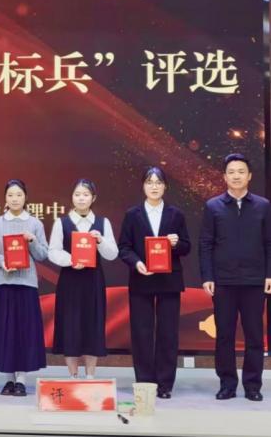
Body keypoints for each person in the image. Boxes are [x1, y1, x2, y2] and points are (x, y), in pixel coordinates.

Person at [199, 153, 271, 402]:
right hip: (224, 282)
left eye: (241, 171)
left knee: (254, 336)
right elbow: (205, 244)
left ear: (249, 176)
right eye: (231, 172)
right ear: (224, 177)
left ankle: (252, 386)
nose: (236, 176)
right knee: (224, 336)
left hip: (254, 281)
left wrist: (269, 274)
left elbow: (269, 243)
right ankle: (227, 384)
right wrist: (207, 276)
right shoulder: (213, 206)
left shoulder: (263, 206)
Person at [118, 166, 190, 399]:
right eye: (150, 182)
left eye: (158, 182)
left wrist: (176, 243)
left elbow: (187, 247)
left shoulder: (176, 214)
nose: (154, 186)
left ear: (165, 186)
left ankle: (165, 384)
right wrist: (137, 263)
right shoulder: (133, 214)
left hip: (169, 280)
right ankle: (145, 382)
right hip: (142, 279)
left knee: (168, 333)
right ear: (143, 186)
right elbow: (124, 247)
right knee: (141, 332)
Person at [0, 179, 48, 396]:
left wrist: (33, 242)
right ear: (5, 198)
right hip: (3, 282)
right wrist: (2, 261)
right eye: (10, 195)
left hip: (27, 284)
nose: (15, 199)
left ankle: (21, 380)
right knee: (5, 332)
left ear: (25, 197)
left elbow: (43, 254)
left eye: (19, 195)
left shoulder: (35, 224)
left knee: (24, 333)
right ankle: (8, 379)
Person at [48, 178, 118, 378]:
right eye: (77, 194)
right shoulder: (62, 223)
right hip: (70, 280)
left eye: (85, 195)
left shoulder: (102, 223)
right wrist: (70, 260)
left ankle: (90, 376)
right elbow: (53, 251)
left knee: (92, 325)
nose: (81, 198)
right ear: (72, 197)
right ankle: (73, 376)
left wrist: (100, 240)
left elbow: (112, 254)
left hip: (93, 281)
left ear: (93, 198)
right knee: (70, 326)